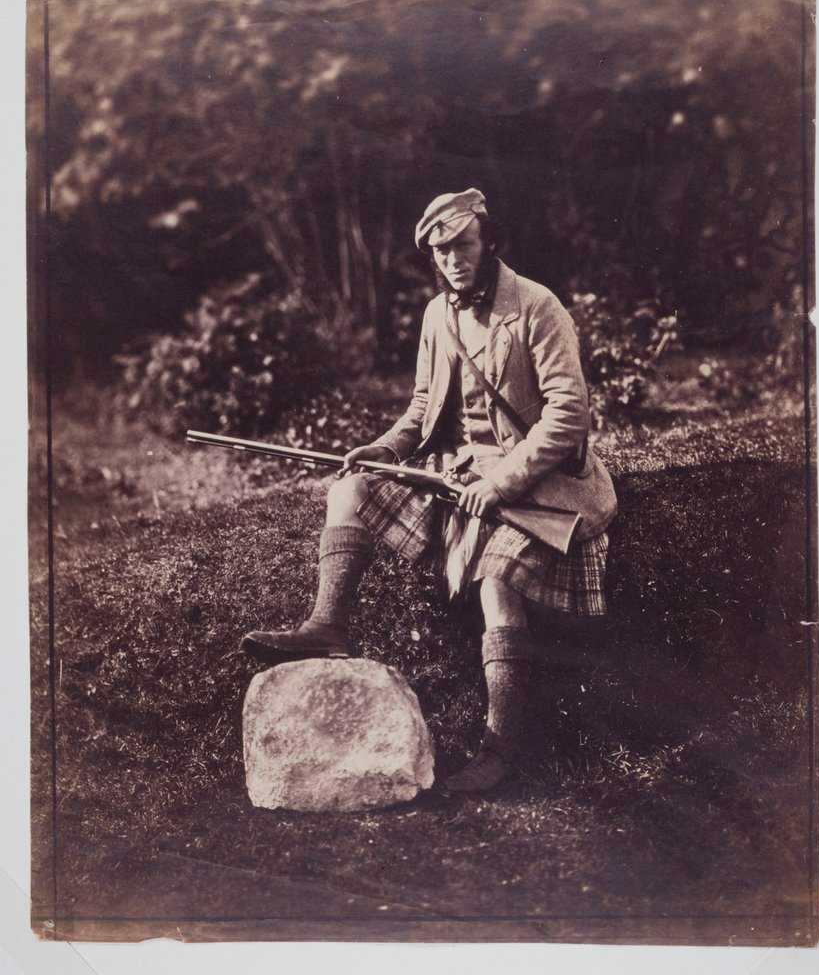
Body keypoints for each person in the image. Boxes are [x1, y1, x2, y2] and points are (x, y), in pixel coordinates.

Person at [241, 189, 617, 792]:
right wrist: (386, 448)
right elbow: (422, 406)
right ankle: (328, 625)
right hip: (460, 474)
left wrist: (501, 481)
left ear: (487, 241)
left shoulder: (538, 307)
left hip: (542, 487)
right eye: (440, 251)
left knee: (498, 585)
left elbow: (568, 414)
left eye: (462, 245)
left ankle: (501, 752)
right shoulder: (437, 315)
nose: (451, 260)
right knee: (352, 488)